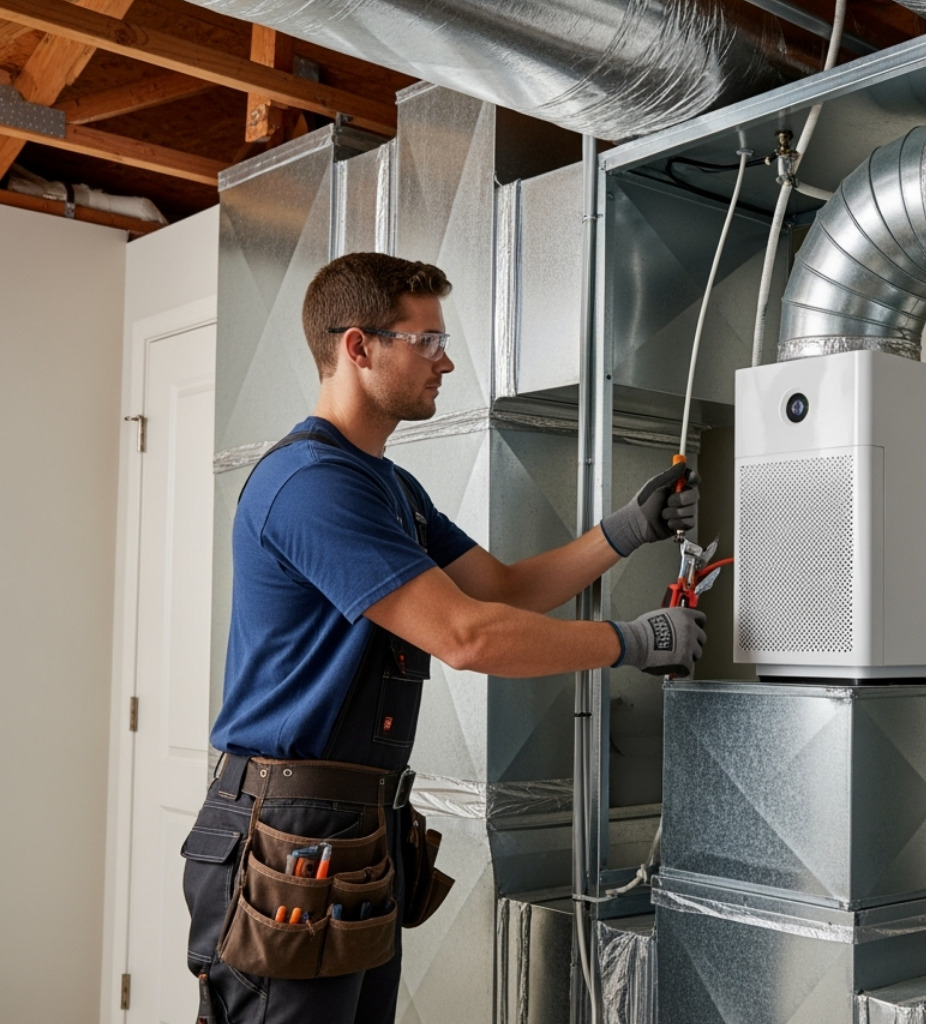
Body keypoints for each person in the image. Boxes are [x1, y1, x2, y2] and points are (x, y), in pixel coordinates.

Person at [181, 253, 706, 1023]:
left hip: (355, 829)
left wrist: (627, 530)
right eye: (425, 342)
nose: (446, 361)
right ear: (358, 347)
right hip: (287, 836)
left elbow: (501, 589)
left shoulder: (389, 487)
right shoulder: (310, 485)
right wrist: (633, 640)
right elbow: (467, 636)